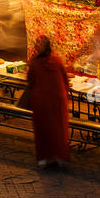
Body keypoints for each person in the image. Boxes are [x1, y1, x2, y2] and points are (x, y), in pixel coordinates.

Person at [26, 34, 70, 169]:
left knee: (43, 129)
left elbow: (30, 80)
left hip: (41, 100)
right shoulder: (57, 60)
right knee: (59, 128)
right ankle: (60, 156)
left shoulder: (34, 62)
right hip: (58, 99)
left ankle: (44, 158)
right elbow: (65, 79)